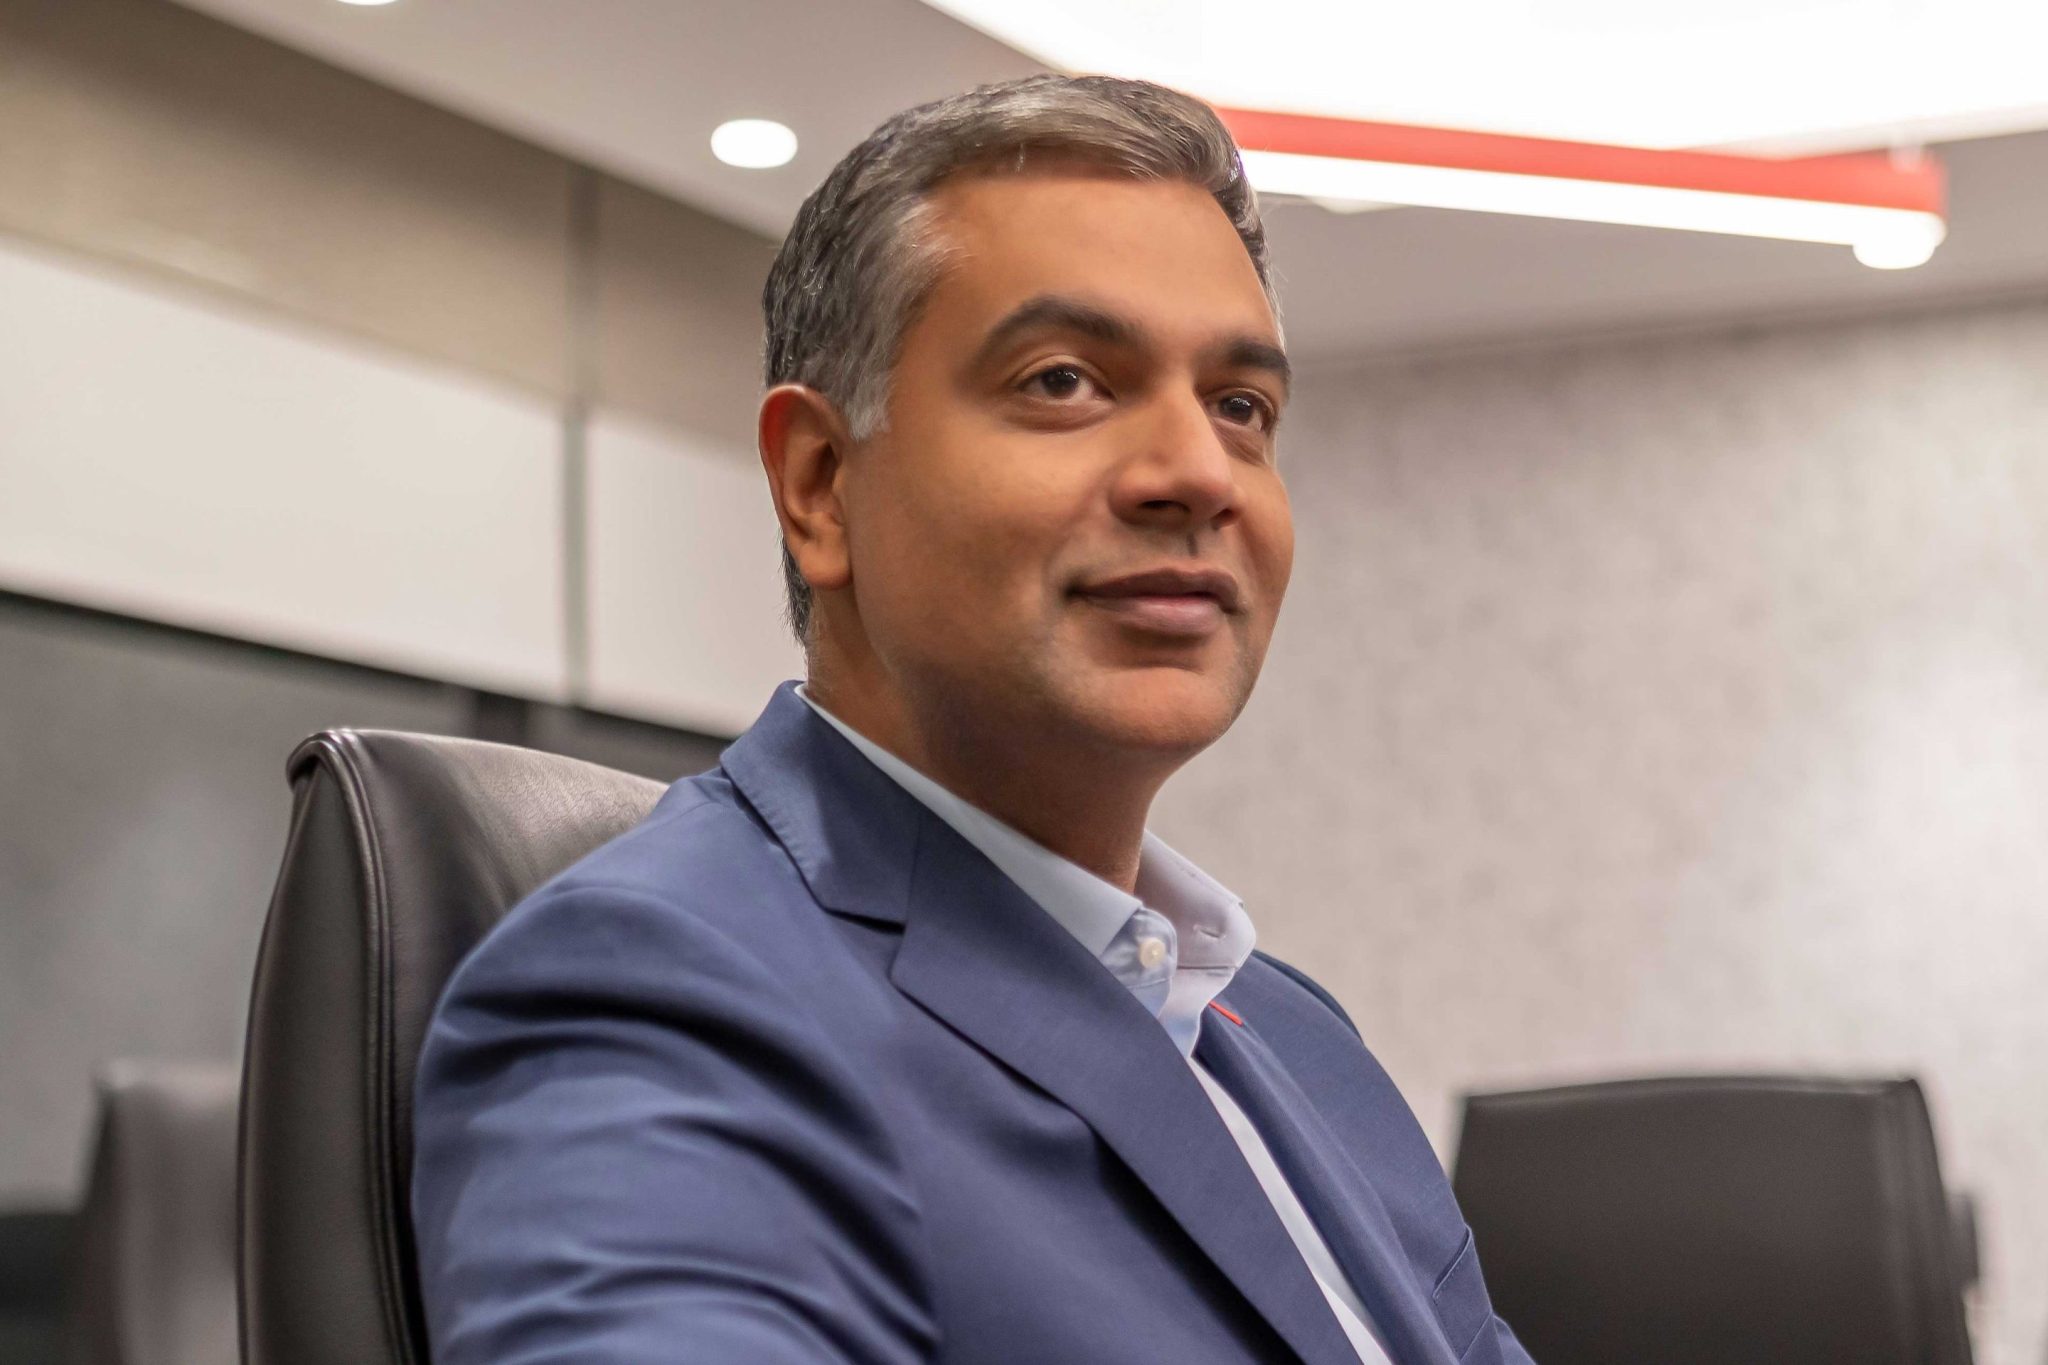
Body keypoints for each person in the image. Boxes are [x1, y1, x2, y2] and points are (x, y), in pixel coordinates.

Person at [411, 73, 1533, 1365]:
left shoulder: (1293, 1035)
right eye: (1064, 381)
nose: (1196, 472)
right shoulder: (657, 996)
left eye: (1240, 407)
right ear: (820, 484)